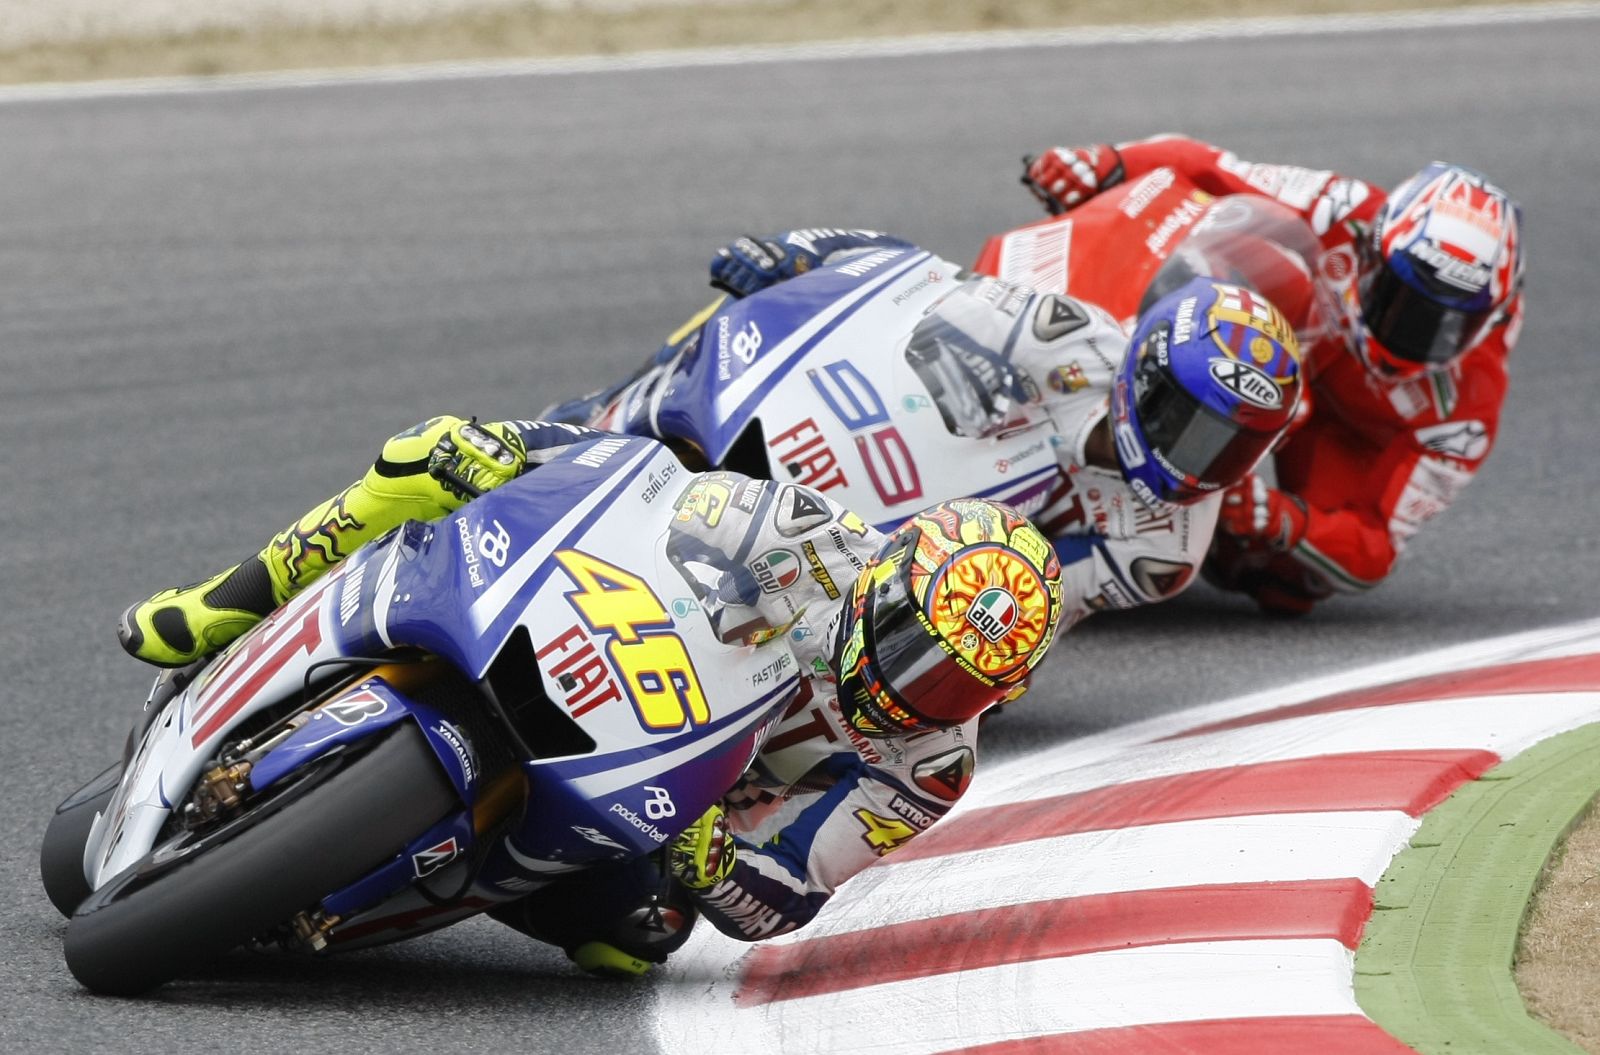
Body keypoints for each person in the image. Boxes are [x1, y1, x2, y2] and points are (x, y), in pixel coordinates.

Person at [117, 415, 1064, 974]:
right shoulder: (808, 536)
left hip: (658, 804)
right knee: (431, 454)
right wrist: (520, 448)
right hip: (616, 653)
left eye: (951, 684)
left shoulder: (931, 768)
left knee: (638, 940)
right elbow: (634, 488)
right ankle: (222, 604)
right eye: (911, 648)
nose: (911, 686)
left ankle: (381, 889)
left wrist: (714, 856)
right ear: (888, 583)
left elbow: (784, 900)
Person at [549, 229, 1305, 633]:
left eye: (1234, 445)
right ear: (1144, 374)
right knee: (726, 333)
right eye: (1194, 427)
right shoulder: (1067, 334)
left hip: (950, 536)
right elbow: (915, 280)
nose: (1198, 461)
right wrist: (809, 254)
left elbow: (1036, 594)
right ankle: (595, 419)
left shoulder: (1166, 549)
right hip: (878, 436)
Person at [1022, 137, 1525, 613]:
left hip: (1346, 431)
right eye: (1400, 298)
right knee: (1236, 249)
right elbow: (1207, 164)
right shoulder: (1343, 207)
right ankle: (1099, 361)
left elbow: (1377, 544)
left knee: (1286, 581)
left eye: (1450, 322)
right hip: (1282, 342)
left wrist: (1282, 519)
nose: (1412, 333)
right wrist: (1106, 163)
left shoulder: (1468, 409)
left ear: (1494, 316)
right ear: (1374, 247)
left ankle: (1193, 534)